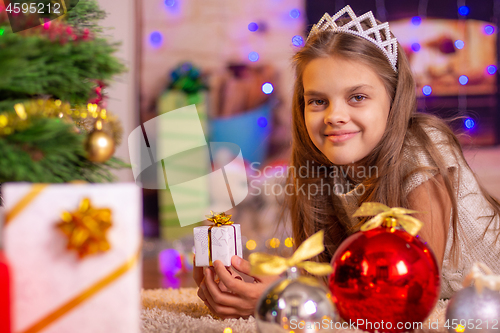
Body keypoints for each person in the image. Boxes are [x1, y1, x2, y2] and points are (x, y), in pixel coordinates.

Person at [193, 5, 500, 319]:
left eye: (357, 97)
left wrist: (286, 296)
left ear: (394, 101)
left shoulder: (423, 148)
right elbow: (335, 279)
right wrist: (240, 285)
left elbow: (410, 291)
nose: (334, 116)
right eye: (318, 101)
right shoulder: (325, 168)